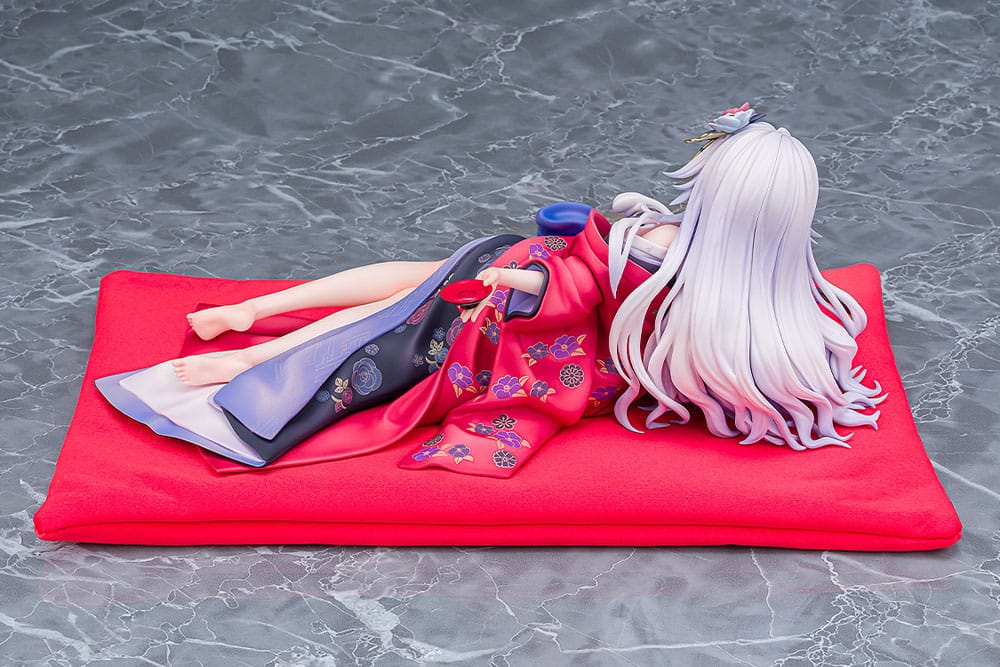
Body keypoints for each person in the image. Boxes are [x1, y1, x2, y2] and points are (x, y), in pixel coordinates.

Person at [97, 105, 882, 477]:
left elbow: (582, 284)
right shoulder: (772, 293)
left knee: (394, 315)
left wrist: (526, 282)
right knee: (406, 289)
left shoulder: (662, 250)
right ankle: (255, 320)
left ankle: (253, 350)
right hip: (541, 303)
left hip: (520, 321)